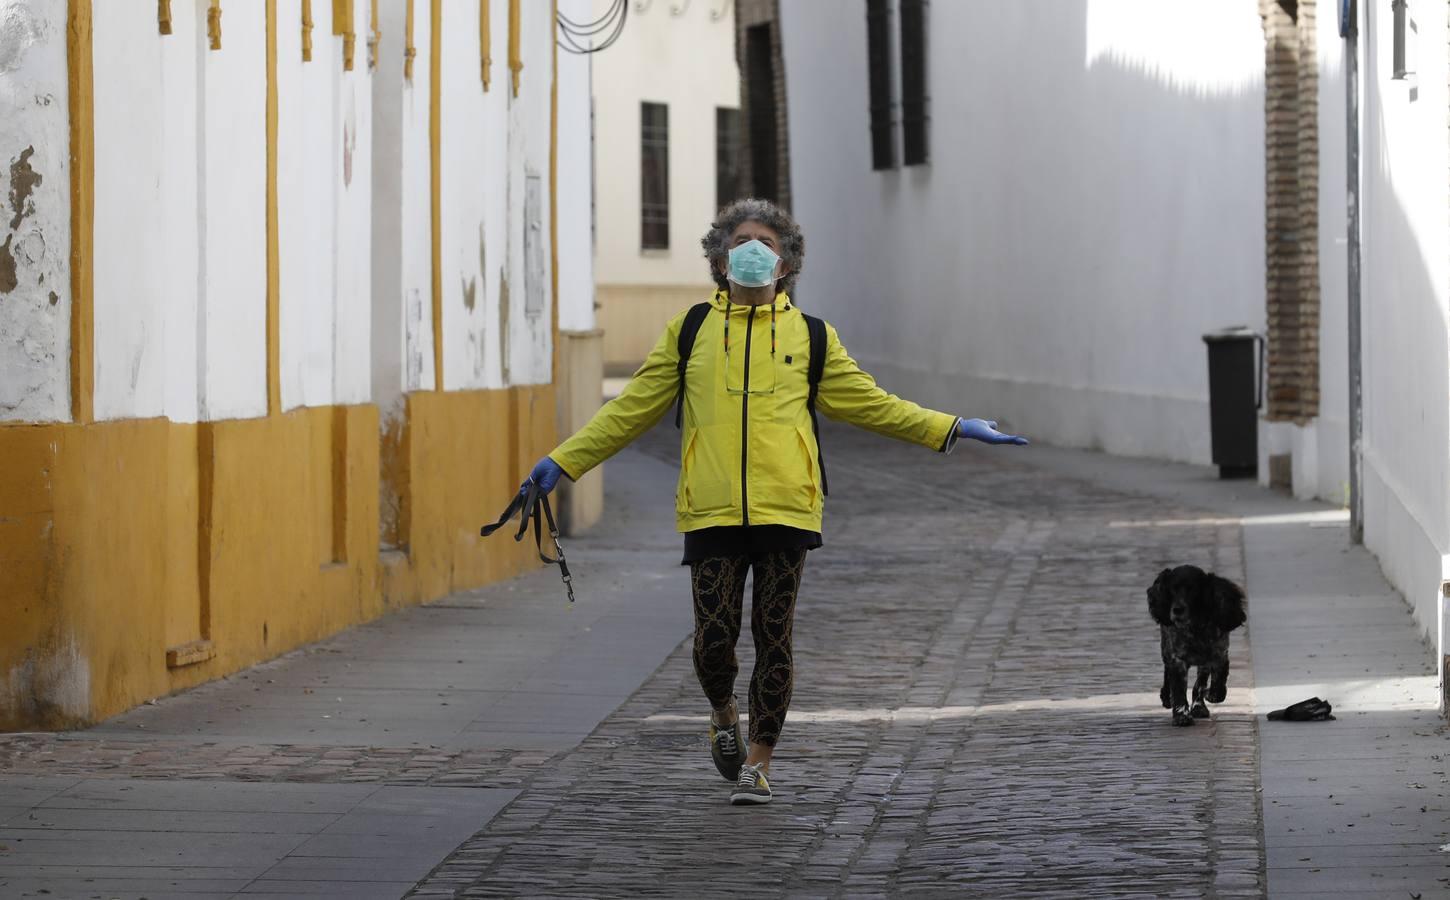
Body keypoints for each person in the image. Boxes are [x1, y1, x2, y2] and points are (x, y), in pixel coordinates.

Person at [520, 198, 1028, 805]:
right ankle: (722, 711)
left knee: (773, 634)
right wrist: (564, 460)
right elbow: (632, 409)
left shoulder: (811, 337)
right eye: (741, 241)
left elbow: (873, 403)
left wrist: (952, 427)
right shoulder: (689, 332)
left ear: (786, 262)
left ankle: (760, 761)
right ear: (719, 258)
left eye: (765, 241)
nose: (753, 250)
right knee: (713, 643)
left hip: (788, 507)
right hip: (711, 509)